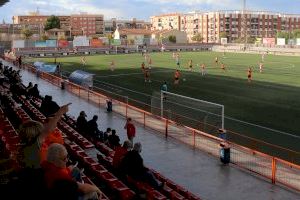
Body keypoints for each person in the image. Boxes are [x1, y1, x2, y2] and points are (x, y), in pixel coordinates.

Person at [17, 103, 71, 169]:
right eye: (41, 132)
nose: (43, 133)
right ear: (34, 135)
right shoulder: (33, 147)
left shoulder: (26, 146)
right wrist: (61, 112)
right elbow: (48, 130)